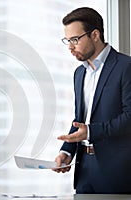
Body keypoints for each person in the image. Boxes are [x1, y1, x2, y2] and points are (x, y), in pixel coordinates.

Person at [53, 7, 131, 194]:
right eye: (67, 41)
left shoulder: (126, 67)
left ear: (95, 35)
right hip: (85, 172)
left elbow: (129, 117)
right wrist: (66, 152)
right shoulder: (79, 74)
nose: (70, 47)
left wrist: (90, 132)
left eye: (75, 40)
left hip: (117, 173)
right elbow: (81, 119)